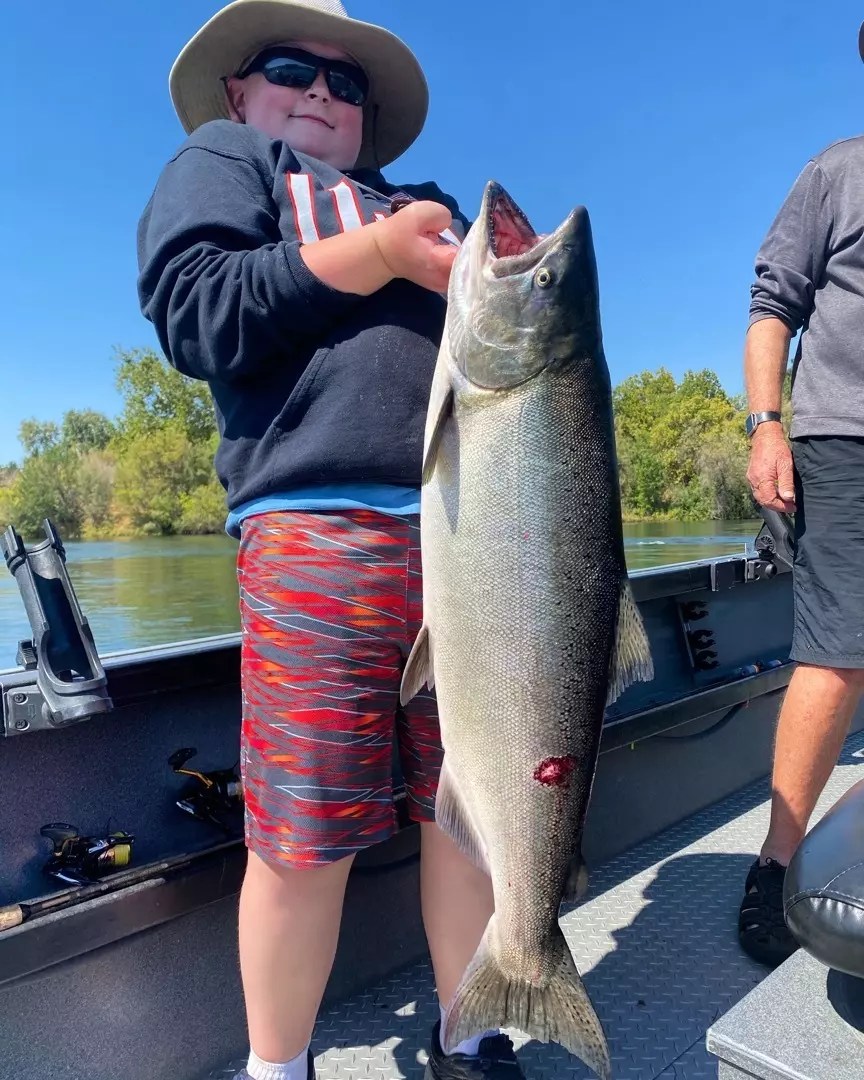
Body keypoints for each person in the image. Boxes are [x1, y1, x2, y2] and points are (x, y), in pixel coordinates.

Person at [137, 2, 526, 1078]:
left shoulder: (427, 208)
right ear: (238, 92)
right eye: (289, 68)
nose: (320, 91)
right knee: (303, 835)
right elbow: (198, 311)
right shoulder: (231, 162)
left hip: (473, 541)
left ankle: (470, 1029)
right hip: (316, 536)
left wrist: (492, 264)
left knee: (468, 812)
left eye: (345, 83)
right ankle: (279, 1065)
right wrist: (379, 255)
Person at [737, 22, 864, 969]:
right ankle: (776, 864)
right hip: (843, 440)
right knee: (838, 655)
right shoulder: (837, 171)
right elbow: (771, 307)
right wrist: (766, 426)